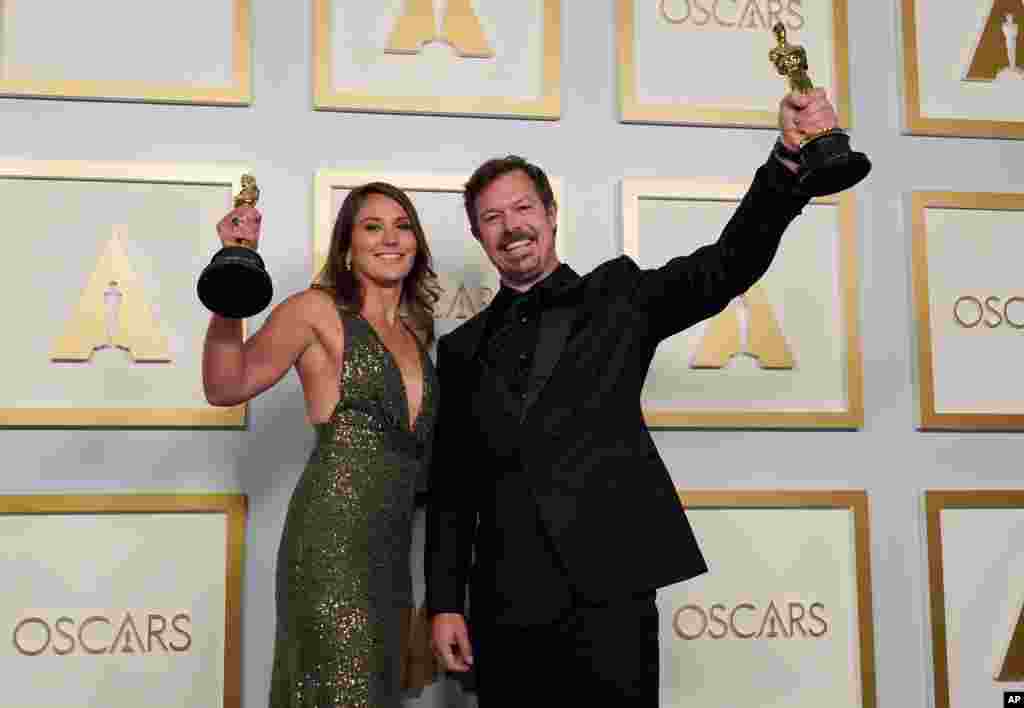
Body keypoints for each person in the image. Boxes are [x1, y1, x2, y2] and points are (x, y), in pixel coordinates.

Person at [425, 89, 842, 705]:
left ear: (550, 212)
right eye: (492, 217)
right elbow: (452, 489)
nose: (511, 226)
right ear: (478, 235)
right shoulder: (459, 350)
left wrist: (787, 161)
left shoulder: (619, 295)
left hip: (610, 590)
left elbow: (726, 263)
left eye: (522, 208)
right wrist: (443, 604)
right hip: (505, 602)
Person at [202, 182, 441, 707]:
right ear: (347, 247)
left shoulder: (415, 332)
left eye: (403, 227)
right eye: (372, 227)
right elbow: (225, 385)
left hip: (393, 558)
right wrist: (233, 271)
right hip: (331, 548)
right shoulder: (316, 311)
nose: (391, 239)